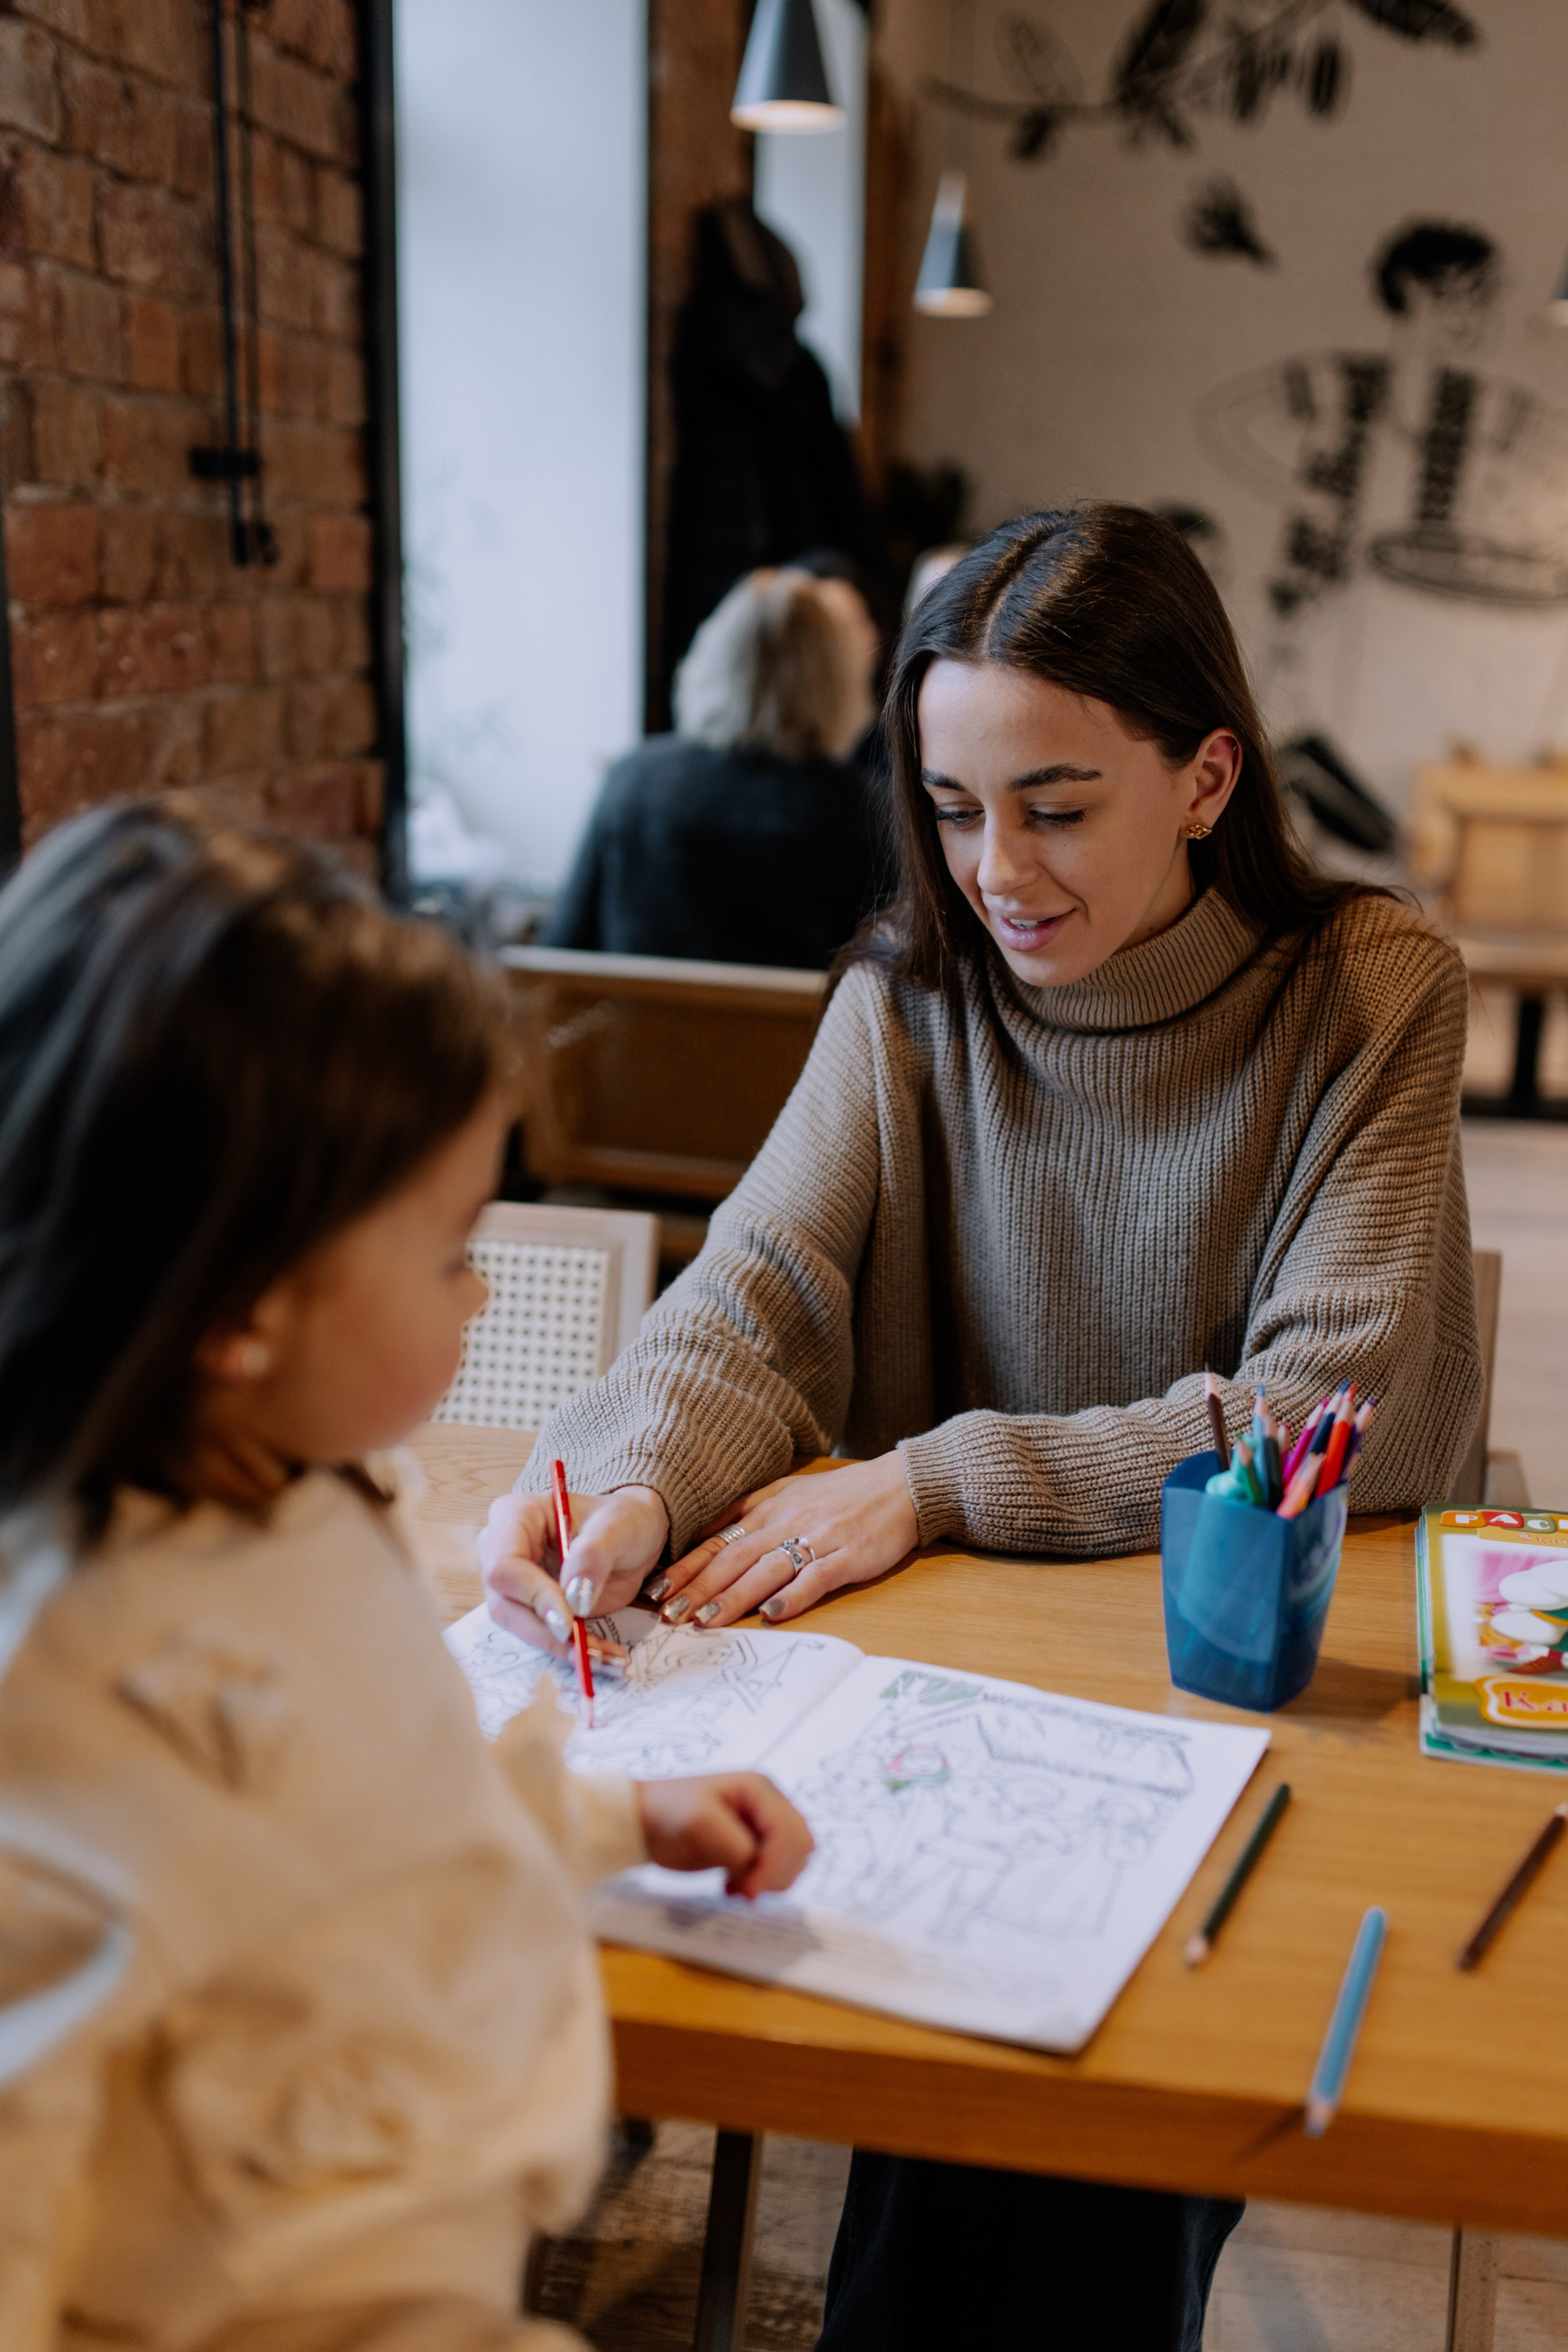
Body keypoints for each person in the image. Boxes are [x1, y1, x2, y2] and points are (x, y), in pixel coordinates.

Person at [479, 503, 1483, 2350]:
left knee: (1079, 2134)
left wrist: (936, 1475)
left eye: (1055, 806)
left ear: (1204, 779)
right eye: (950, 809)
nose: (995, 869)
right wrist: (623, 1477)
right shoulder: (906, 993)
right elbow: (756, 1285)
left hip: (1233, 1687)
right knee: (964, 2095)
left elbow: (1317, 1402)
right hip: (967, 1696)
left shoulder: (1368, 987)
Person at [0, 801, 812, 2352]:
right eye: (450, 1249)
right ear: (244, 1312)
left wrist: (617, 1819)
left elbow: (380, 1809)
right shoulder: (52, 1714)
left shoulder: (311, 1499)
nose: (482, 1291)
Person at [546, 564, 885, 970]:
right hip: (804, 1016)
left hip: (640, 1014)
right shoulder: (871, 812)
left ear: (709, 662)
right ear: (840, 682)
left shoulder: (633, 781)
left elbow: (560, 953)